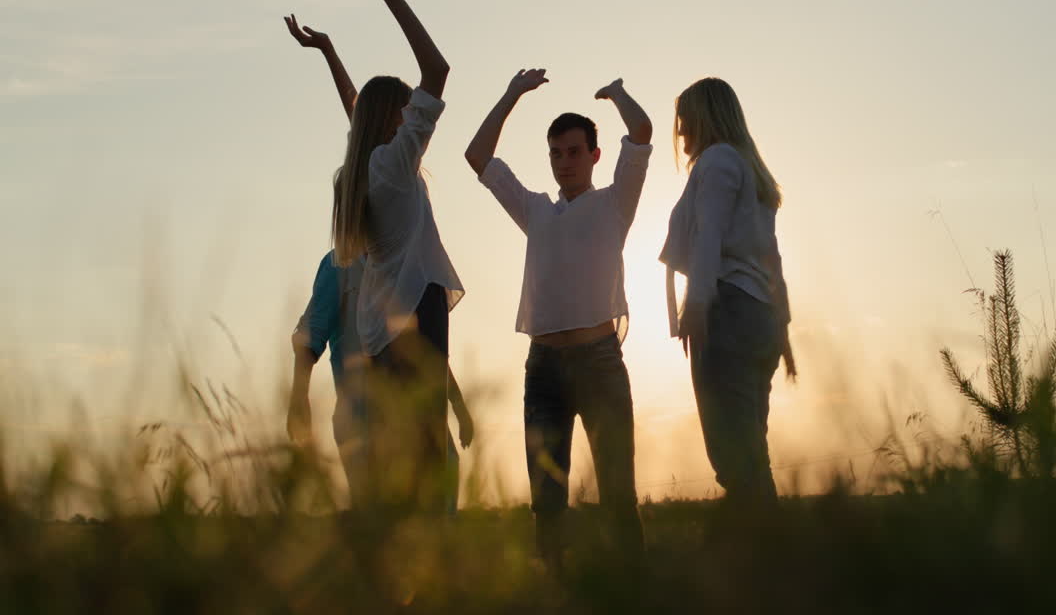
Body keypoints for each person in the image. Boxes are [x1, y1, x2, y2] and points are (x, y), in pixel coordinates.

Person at [291, 0, 462, 510]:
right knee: (426, 456)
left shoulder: (366, 168)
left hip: (378, 328)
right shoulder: (392, 164)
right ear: (395, 117)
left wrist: (329, 52)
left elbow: (356, 114)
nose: (416, 110)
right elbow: (437, 70)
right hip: (416, 314)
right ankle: (431, 573)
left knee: (398, 460)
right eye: (407, 107)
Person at [463, 68, 652, 567]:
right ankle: (554, 588)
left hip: (600, 363)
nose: (563, 162)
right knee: (546, 502)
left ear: (593, 154)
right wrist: (510, 94)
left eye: (573, 152)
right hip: (543, 368)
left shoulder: (614, 203)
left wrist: (617, 94)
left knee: (617, 493)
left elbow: (641, 134)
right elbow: (477, 157)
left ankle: (632, 589)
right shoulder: (536, 210)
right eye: (555, 153)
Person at [659, 77, 797, 516]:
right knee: (751, 446)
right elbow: (771, 258)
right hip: (760, 319)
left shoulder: (717, 161)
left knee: (732, 452)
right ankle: (763, 553)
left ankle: (758, 557)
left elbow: (709, 239)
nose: (680, 133)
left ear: (705, 117)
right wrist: (784, 329)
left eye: (684, 121)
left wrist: (696, 306)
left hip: (727, 313)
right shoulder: (750, 169)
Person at [286, 250, 475, 512]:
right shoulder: (339, 265)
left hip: (422, 420)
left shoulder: (409, 264)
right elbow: (311, 334)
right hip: (362, 420)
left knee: (436, 521)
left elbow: (426, 352)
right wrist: (298, 397)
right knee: (378, 526)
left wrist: (458, 405)